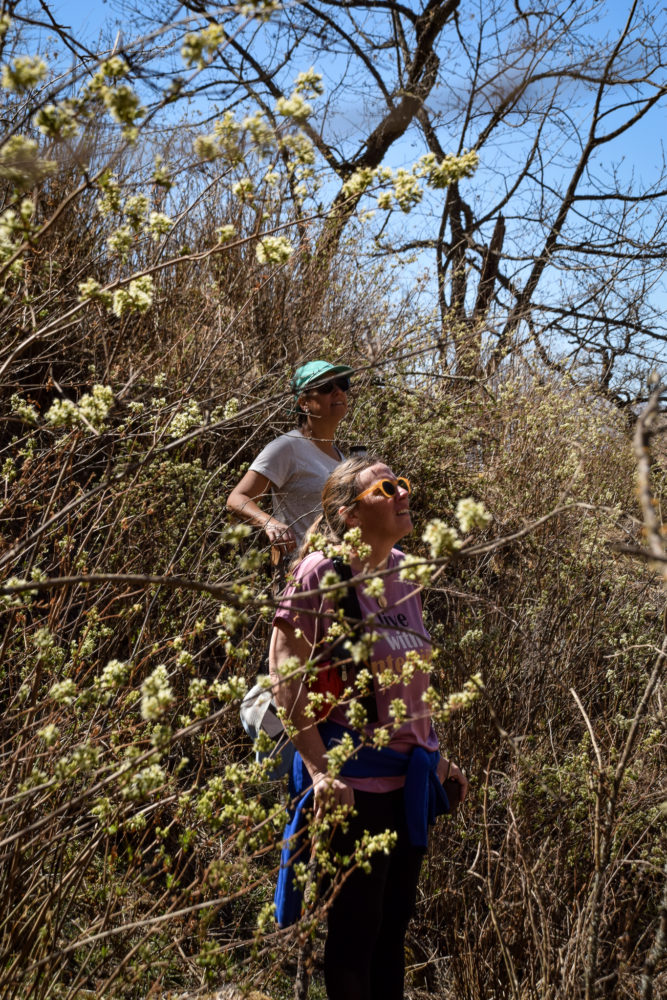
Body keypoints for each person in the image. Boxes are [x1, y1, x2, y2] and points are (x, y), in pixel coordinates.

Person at [269, 455, 468, 1000]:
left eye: (403, 481)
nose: (403, 492)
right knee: (356, 934)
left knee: (392, 934)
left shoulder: (404, 571)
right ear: (348, 513)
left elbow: (410, 681)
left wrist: (435, 753)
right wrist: (318, 770)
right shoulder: (321, 573)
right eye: (386, 487)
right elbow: (285, 677)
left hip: (408, 784)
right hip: (352, 785)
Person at [226, 360, 353, 553]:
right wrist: (269, 523)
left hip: (336, 572)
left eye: (342, 384)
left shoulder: (340, 457)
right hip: (300, 571)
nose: (338, 391)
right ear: (304, 403)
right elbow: (237, 498)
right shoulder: (288, 447)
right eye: (326, 387)